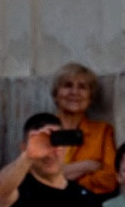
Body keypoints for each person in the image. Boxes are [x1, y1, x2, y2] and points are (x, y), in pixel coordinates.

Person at [46, 63, 117, 195]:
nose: (74, 92)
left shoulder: (102, 132)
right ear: (56, 94)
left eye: (82, 87)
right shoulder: (42, 131)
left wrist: (71, 185)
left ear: (90, 98)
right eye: (68, 85)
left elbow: (110, 178)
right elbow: (34, 176)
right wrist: (86, 166)